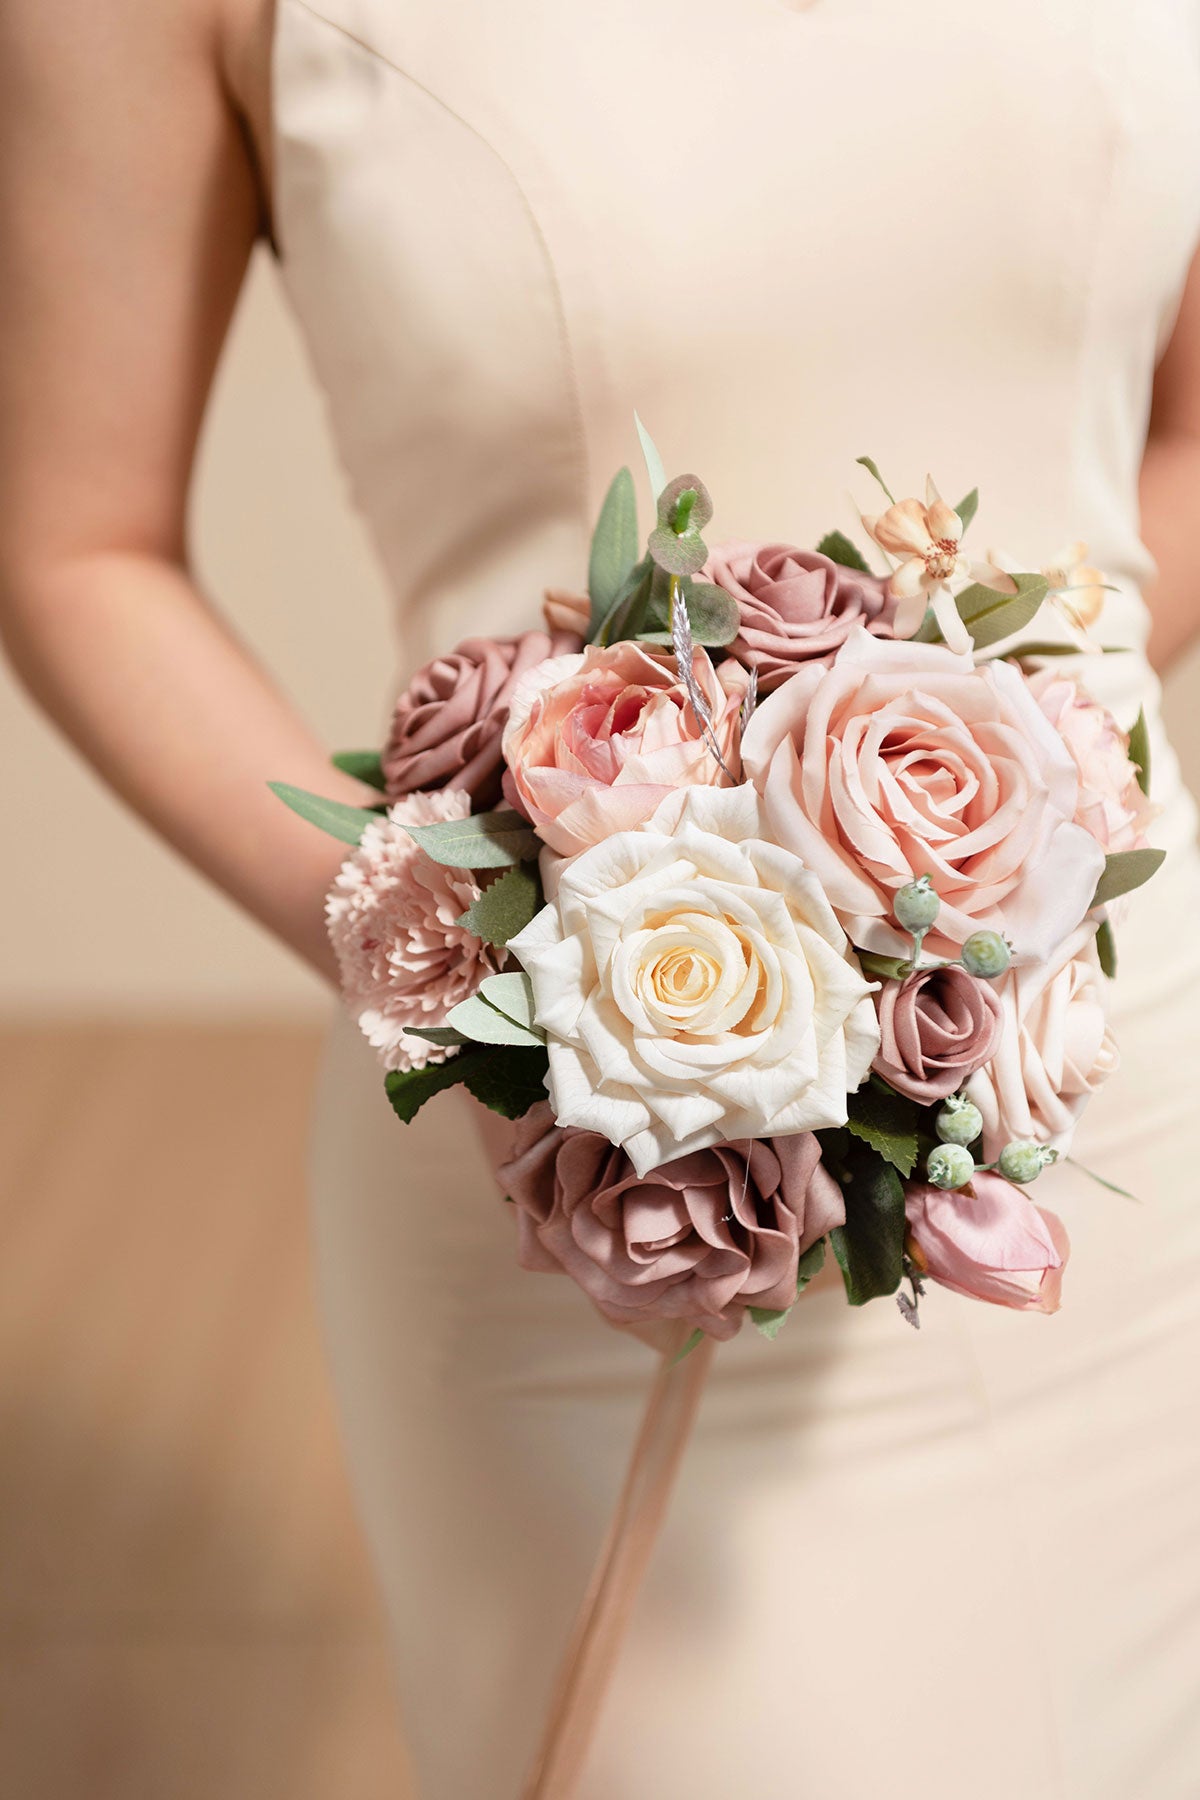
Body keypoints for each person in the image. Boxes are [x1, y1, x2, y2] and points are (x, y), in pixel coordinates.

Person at [3, 3, 1199, 1795]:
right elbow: (72, 540)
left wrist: (944, 783)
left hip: (1109, 1088)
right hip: (590, 1164)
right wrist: (456, 962)